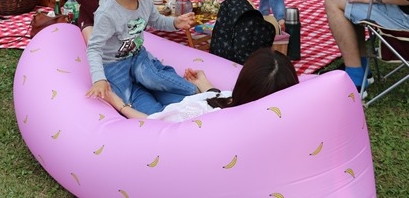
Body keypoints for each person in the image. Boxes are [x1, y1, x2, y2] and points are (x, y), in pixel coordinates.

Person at [85, 0, 198, 115]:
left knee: (151, 77)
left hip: (138, 57)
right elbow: (94, 48)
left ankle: (196, 92)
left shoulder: (145, 0)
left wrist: (175, 23)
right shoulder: (107, 14)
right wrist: (99, 79)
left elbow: (157, 21)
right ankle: (155, 104)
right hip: (114, 67)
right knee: (141, 105)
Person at [102, 48, 298, 121]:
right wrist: (204, 84)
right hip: (193, 97)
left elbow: (153, 123)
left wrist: (119, 104)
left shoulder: (206, 121)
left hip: (163, 113)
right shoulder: (250, 107)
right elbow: (226, 100)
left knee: (134, 88)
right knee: (155, 79)